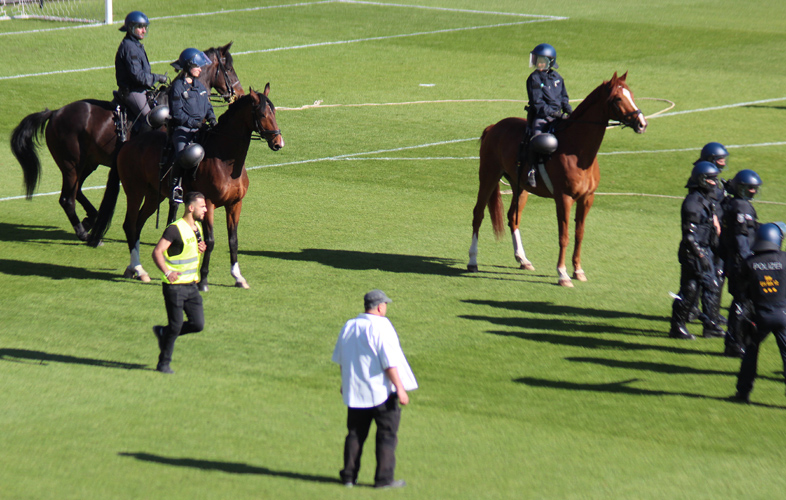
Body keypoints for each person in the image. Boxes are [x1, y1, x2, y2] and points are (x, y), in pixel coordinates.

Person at [331, 290, 418, 489]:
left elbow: (342, 358)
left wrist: (345, 383)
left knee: (355, 434)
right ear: (380, 307)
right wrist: (400, 388)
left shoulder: (349, 325)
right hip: (383, 392)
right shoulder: (382, 327)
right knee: (387, 435)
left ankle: (348, 477)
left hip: (356, 391)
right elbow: (389, 363)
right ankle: (383, 479)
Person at [151, 191, 208, 374]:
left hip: (191, 286)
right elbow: (157, 252)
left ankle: (163, 332)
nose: (206, 210)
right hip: (174, 288)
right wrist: (167, 272)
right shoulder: (174, 229)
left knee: (198, 324)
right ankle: (163, 363)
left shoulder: (197, 227)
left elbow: (189, 249)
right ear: (191, 208)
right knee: (175, 326)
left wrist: (201, 248)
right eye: (202, 206)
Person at [669, 161, 725, 340]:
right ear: (701, 180)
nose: (714, 183)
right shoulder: (693, 204)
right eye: (711, 179)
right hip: (694, 252)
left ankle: (702, 325)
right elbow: (689, 236)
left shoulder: (704, 199)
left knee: (693, 287)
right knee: (699, 287)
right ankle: (686, 326)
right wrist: (701, 255)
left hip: (701, 250)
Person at [732, 223, 786, 403]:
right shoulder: (784, 259)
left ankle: (743, 393)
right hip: (783, 315)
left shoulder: (749, 262)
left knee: (750, 353)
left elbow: (741, 290)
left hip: (760, 317)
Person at [720, 169, 762, 357]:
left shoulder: (735, 204)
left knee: (745, 302)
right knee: (742, 303)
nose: (753, 191)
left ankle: (739, 341)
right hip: (741, 263)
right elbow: (741, 238)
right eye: (749, 188)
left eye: (754, 188)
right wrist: (748, 262)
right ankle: (735, 344)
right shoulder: (741, 208)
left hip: (735, 261)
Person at [168, 48, 217, 203]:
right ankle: (176, 187)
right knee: (182, 155)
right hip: (183, 130)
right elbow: (177, 114)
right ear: (188, 66)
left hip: (200, 129)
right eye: (197, 66)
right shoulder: (177, 87)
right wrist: (195, 123)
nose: (200, 69)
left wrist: (212, 119)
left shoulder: (200, 87)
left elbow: (208, 107)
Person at [690, 142, 730, 330]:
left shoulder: (709, 176)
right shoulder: (703, 177)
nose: (723, 163)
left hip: (713, 232)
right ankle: (703, 314)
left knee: (713, 273)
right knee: (708, 274)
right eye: (720, 160)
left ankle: (709, 313)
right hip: (708, 234)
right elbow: (708, 203)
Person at [524, 43, 571, 187]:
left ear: (550, 62)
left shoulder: (558, 78)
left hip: (558, 116)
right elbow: (537, 103)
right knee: (536, 137)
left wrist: (570, 112)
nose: (538, 63)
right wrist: (555, 114)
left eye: (541, 60)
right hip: (542, 117)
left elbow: (564, 98)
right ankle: (531, 170)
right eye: (537, 60)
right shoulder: (534, 78)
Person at [115, 11, 167, 135]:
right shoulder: (130, 48)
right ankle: (141, 144)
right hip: (133, 91)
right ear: (131, 28)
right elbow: (137, 76)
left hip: (141, 88)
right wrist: (157, 77)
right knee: (151, 118)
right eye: (140, 27)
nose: (144, 31)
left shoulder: (135, 44)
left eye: (145, 27)